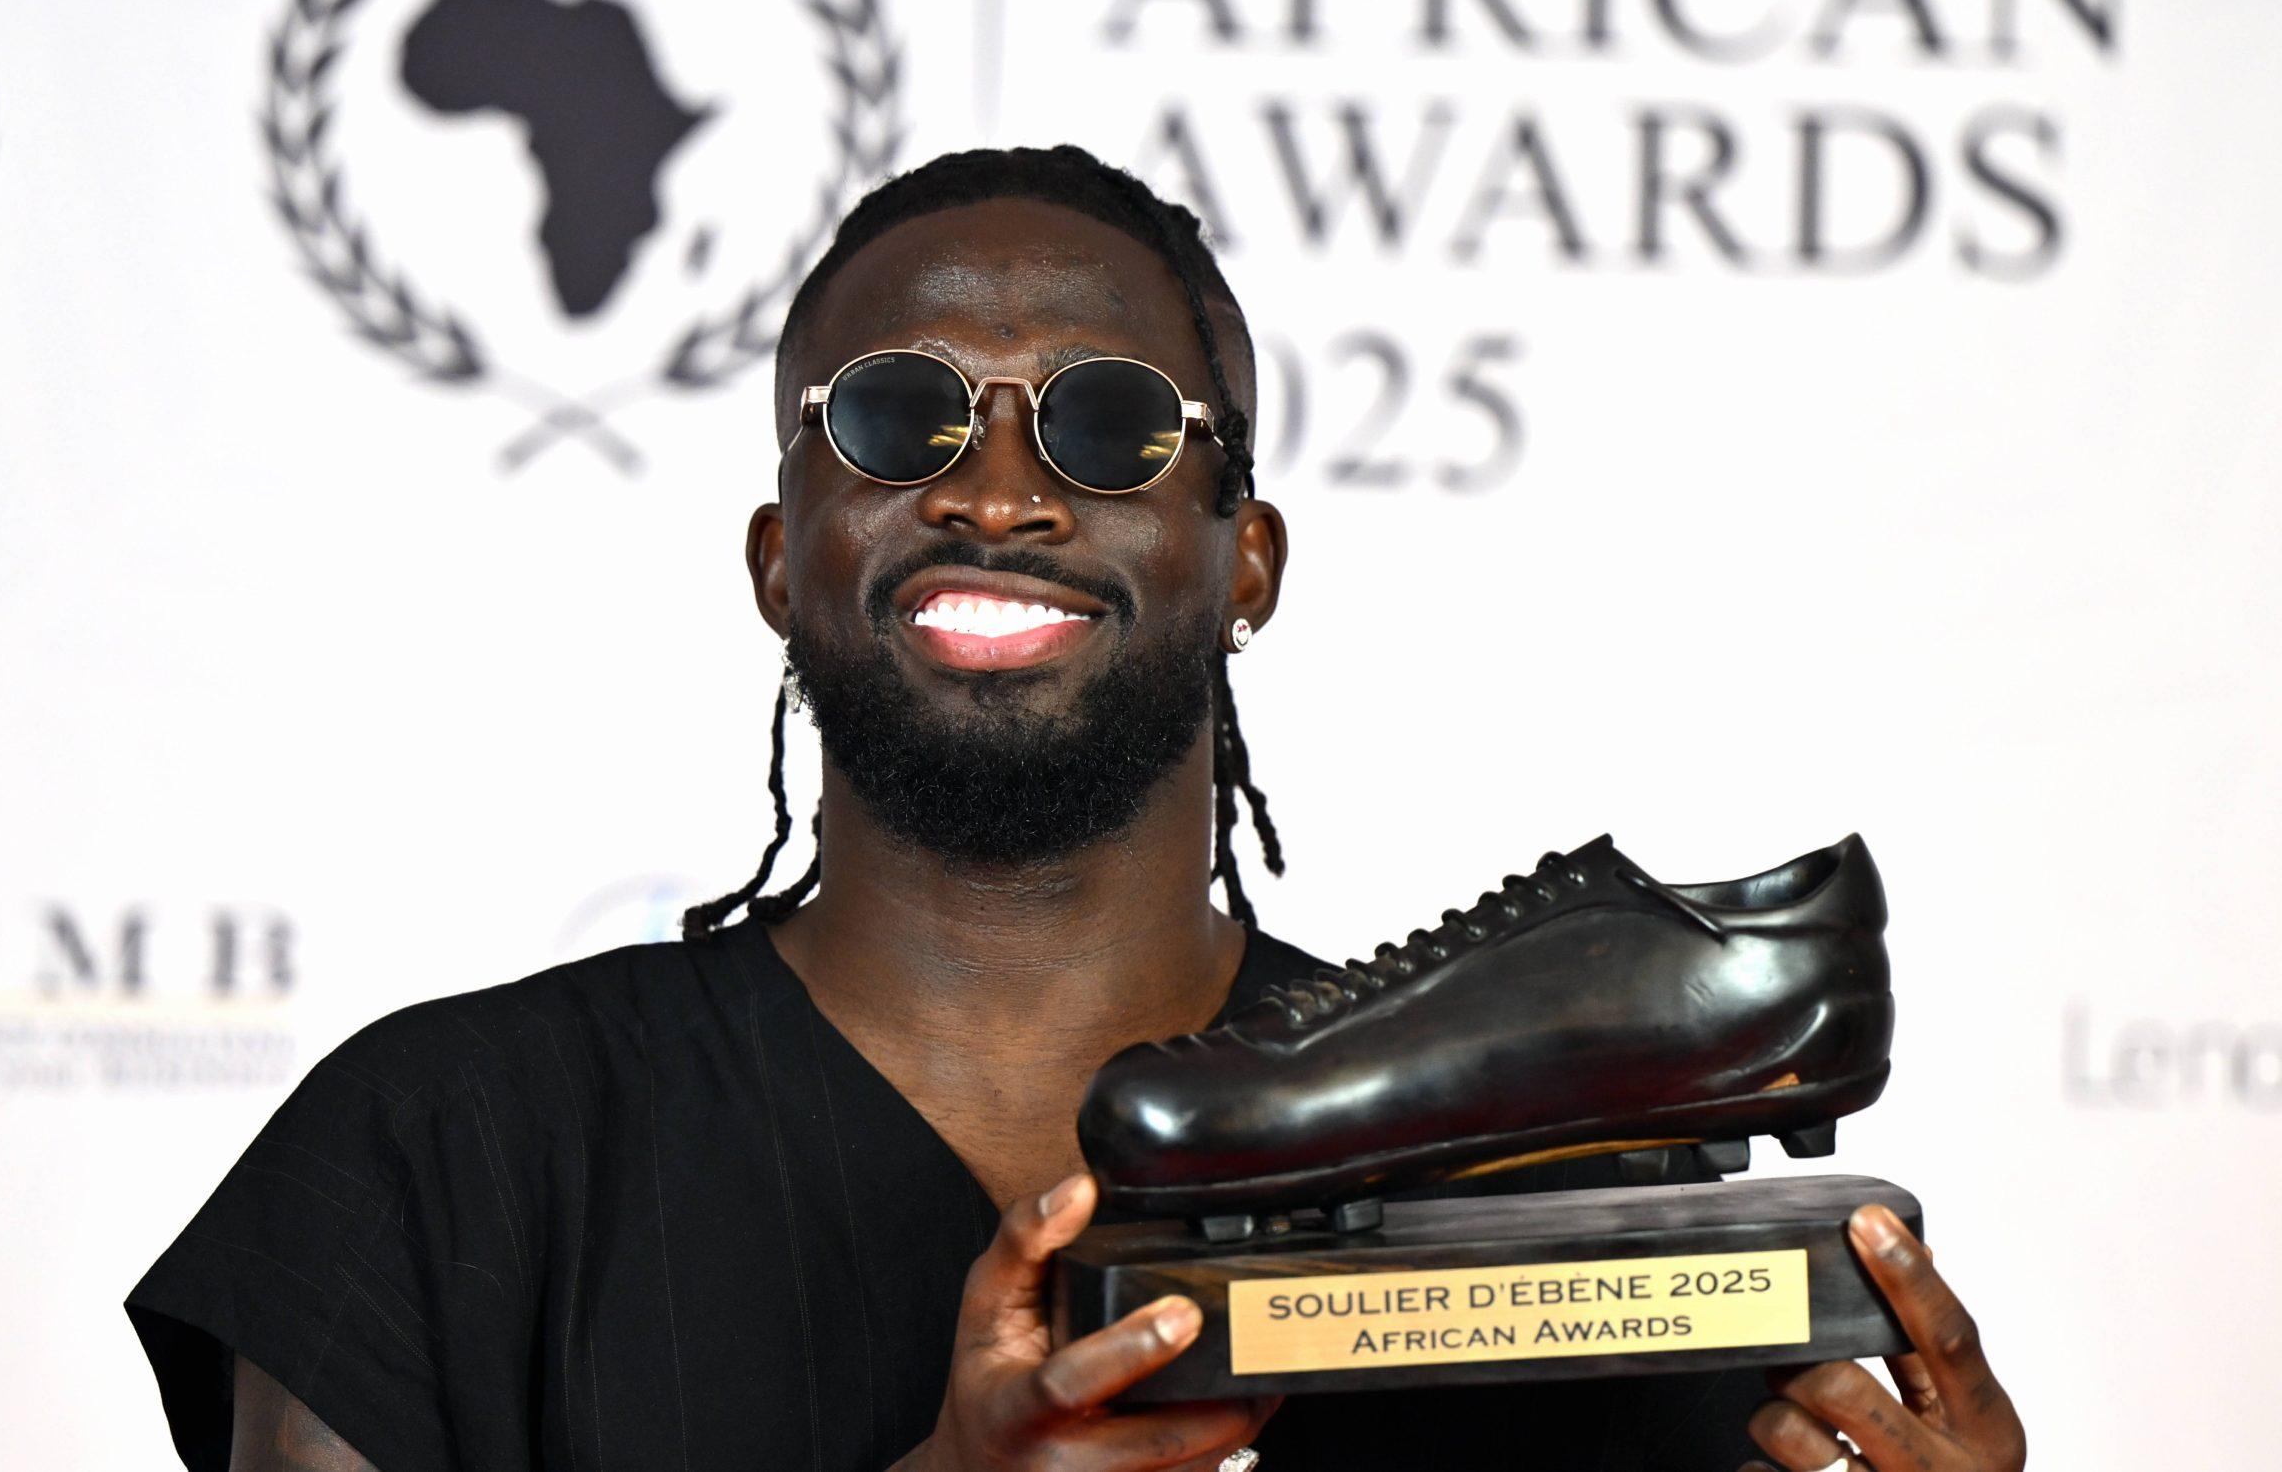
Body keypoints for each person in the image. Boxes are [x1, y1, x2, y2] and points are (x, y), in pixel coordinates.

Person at [127, 146, 2027, 1472]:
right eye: (900, 419)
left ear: (1247, 558)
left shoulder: (1544, 1203)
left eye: (1112, 427)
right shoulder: (440, 1151)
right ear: (782, 556)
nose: (999, 492)